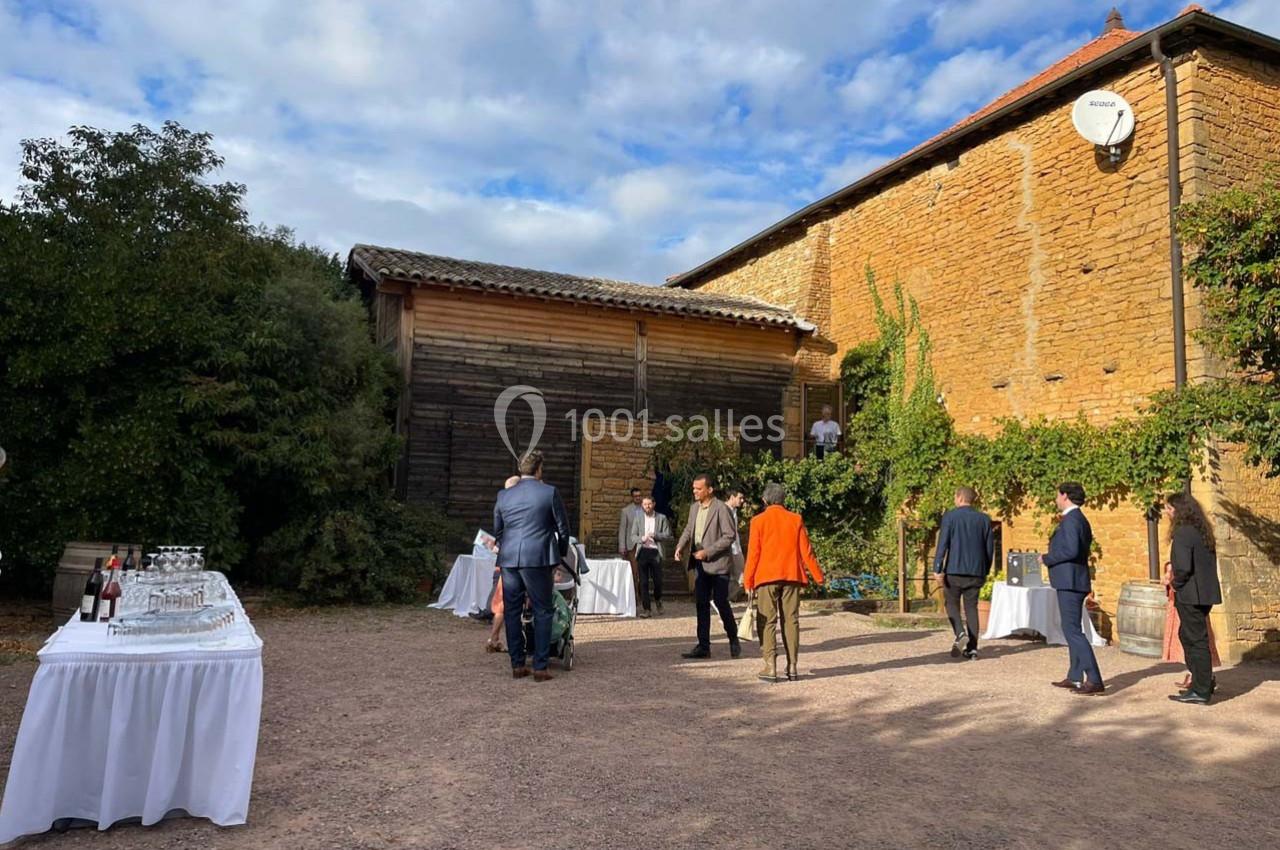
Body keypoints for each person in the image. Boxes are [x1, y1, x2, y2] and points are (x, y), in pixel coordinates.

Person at [493, 450, 570, 682]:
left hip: (509, 559)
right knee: (543, 610)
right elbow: (563, 529)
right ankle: (540, 666)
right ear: (539, 469)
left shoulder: (503, 495)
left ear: (520, 469)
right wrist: (559, 554)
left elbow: (498, 529)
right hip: (538, 558)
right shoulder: (549, 492)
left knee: (513, 611)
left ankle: (517, 664)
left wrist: (506, 545)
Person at [743, 482, 824, 682]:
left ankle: (770, 666)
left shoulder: (758, 521)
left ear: (764, 500)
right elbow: (807, 551)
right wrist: (818, 576)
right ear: (783, 500)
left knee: (767, 620)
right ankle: (793, 665)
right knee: (791, 620)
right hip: (791, 575)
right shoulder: (795, 519)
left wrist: (748, 581)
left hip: (766, 577)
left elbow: (753, 554)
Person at [1040, 482, 1105, 696]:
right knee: (1073, 627)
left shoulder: (1072, 520)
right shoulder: (1078, 519)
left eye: (1058, 495)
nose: (1056, 499)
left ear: (1065, 496)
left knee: (1072, 630)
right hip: (1074, 580)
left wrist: (1047, 558)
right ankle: (1075, 675)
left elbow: (1070, 550)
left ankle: (1094, 678)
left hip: (1070, 581)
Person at [674, 473, 741, 659]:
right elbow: (689, 529)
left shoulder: (721, 509)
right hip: (700, 565)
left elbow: (729, 536)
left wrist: (708, 552)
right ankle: (703, 646)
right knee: (701, 604)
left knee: (721, 602)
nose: (694, 491)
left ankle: (733, 638)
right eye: (694, 488)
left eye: (698, 489)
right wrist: (680, 546)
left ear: (709, 490)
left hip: (718, 565)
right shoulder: (694, 508)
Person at [1164, 492, 1223, 705]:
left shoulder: (1183, 532)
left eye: (1169, 508)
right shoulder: (1200, 530)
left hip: (1190, 593)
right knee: (1189, 636)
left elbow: (1183, 567)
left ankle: (1201, 689)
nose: (1166, 512)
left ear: (1179, 510)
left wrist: (1175, 585)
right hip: (1203, 592)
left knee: (1196, 640)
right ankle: (1202, 681)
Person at [932, 486, 994, 660]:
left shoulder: (950, 516)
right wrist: (985, 569)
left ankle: (960, 633)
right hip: (976, 571)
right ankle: (973, 649)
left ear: (959, 498)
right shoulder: (984, 519)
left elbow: (942, 544)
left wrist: (937, 567)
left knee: (951, 604)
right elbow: (989, 549)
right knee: (971, 608)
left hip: (954, 570)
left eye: (954, 496)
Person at [484, 475, 522, 653]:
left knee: (503, 604)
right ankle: (494, 638)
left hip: (505, 560)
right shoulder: (517, 508)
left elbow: (500, 532)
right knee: (503, 605)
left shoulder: (504, 505)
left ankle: (495, 638)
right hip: (512, 561)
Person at [625, 495, 673, 617]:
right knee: (643, 582)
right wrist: (642, 538)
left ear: (654, 504)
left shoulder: (661, 518)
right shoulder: (638, 518)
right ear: (642, 505)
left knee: (658, 581)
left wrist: (655, 535)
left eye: (649, 504)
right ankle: (647, 609)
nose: (647, 506)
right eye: (645, 504)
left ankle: (658, 600)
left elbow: (667, 534)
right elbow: (633, 536)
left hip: (656, 552)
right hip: (643, 552)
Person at [618, 486, 646, 592]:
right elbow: (622, 529)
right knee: (634, 571)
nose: (638, 498)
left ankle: (643, 593)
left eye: (639, 496)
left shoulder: (646, 508)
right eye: (635, 496)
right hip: (632, 546)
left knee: (643, 571)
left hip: (644, 545)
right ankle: (635, 596)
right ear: (632, 497)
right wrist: (622, 546)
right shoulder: (626, 511)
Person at [725, 488, 748, 602]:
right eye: (740, 498)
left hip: (736, 548)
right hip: (728, 549)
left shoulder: (734, 511)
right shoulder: (723, 510)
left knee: (741, 578)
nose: (742, 500)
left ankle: (729, 600)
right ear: (732, 497)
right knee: (732, 577)